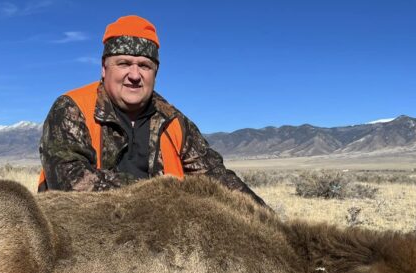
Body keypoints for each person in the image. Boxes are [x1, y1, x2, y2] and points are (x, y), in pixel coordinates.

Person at [38, 15, 265, 206]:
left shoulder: (173, 121)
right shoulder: (72, 108)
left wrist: (269, 222)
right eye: (124, 63)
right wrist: (166, 195)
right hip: (78, 240)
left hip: (154, 242)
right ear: (104, 68)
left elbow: (218, 178)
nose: (135, 75)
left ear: (155, 72)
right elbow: (71, 182)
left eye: (144, 66)